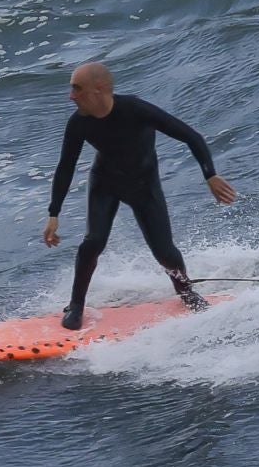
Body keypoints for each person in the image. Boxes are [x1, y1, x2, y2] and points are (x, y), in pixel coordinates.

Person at [43, 61, 237, 330]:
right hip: (105, 183)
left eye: (77, 88)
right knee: (93, 242)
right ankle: (76, 305)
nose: (71, 96)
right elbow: (65, 167)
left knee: (165, 252)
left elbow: (191, 136)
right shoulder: (79, 123)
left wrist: (210, 175)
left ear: (99, 90)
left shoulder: (135, 110)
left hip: (144, 187)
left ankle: (185, 291)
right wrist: (54, 213)